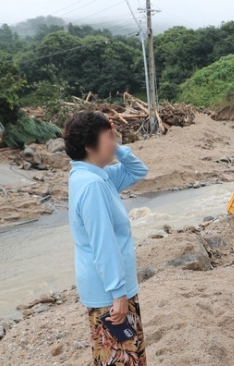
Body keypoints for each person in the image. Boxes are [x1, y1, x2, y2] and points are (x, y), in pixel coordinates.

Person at [64, 111, 149, 366]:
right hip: (110, 294)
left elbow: (138, 170)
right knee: (124, 360)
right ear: (90, 146)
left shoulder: (95, 176)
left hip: (108, 290)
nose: (112, 141)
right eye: (107, 137)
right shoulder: (94, 186)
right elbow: (103, 244)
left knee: (120, 358)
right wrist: (119, 295)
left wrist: (116, 146)